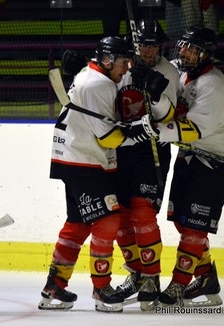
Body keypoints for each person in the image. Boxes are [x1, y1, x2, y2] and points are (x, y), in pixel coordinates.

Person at [38, 36, 154, 313]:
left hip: (74, 157)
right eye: (124, 61)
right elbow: (110, 138)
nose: (127, 67)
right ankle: (101, 287)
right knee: (108, 220)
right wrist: (144, 130)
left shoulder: (92, 75)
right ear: (106, 60)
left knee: (77, 224)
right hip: (85, 160)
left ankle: (54, 286)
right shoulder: (99, 83)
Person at [144, 25, 224, 307]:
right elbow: (151, 64)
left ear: (207, 55)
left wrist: (155, 130)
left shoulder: (216, 85)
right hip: (188, 156)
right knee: (184, 223)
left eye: (192, 49)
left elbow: (195, 128)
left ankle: (179, 286)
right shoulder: (180, 72)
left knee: (195, 227)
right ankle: (206, 277)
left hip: (211, 161)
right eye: (183, 45)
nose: (183, 52)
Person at [113, 19, 179, 311]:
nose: (147, 50)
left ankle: (152, 276)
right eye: (143, 44)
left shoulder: (168, 71)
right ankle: (136, 274)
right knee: (122, 218)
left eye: (152, 45)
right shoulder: (122, 65)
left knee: (143, 214)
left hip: (152, 149)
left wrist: (154, 92)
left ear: (160, 46)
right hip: (122, 148)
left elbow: (167, 119)